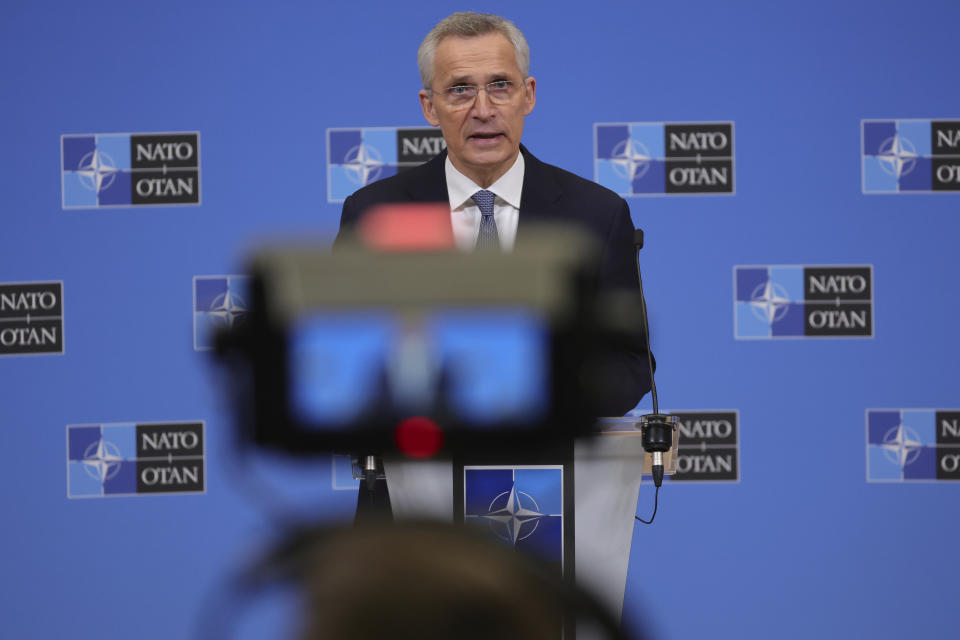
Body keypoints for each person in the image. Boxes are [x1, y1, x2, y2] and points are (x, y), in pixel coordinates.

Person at [336, 11, 653, 417]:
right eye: (460, 90)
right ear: (429, 107)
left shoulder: (596, 214)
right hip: (415, 460)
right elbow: (341, 359)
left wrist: (539, 394)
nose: (483, 110)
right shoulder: (376, 214)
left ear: (529, 95)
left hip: (550, 467)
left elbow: (631, 365)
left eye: (500, 86)